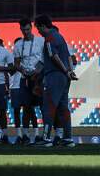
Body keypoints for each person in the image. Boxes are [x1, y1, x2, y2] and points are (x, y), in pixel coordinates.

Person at [33, 14, 77, 147]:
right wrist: (69, 71)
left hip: (54, 76)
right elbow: (69, 57)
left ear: (42, 25)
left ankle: (46, 138)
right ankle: (68, 138)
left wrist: (64, 70)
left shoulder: (49, 38)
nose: (38, 32)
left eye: (38, 28)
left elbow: (54, 57)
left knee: (49, 106)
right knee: (63, 108)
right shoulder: (60, 36)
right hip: (64, 78)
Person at [13, 18, 45, 145]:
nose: (26, 32)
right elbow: (16, 63)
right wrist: (23, 71)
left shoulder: (40, 41)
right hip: (24, 79)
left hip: (38, 78)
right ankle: (25, 135)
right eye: (23, 29)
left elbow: (43, 60)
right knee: (26, 107)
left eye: (27, 29)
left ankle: (42, 135)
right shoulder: (18, 45)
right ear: (20, 29)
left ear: (31, 28)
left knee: (42, 107)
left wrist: (36, 72)